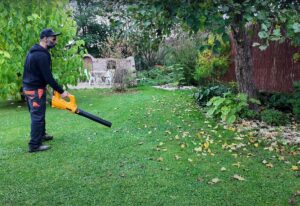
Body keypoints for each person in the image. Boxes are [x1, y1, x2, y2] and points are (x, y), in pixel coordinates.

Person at [22, 28, 70, 153]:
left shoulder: (33, 51)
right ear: (44, 38)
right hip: (35, 90)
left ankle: (41, 135)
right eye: (53, 39)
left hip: (29, 88)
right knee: (37, 116)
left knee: (38, 114)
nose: (56, 41)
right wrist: (61, 91)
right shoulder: (41, 55)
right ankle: (34, 145)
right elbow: (48, 77)